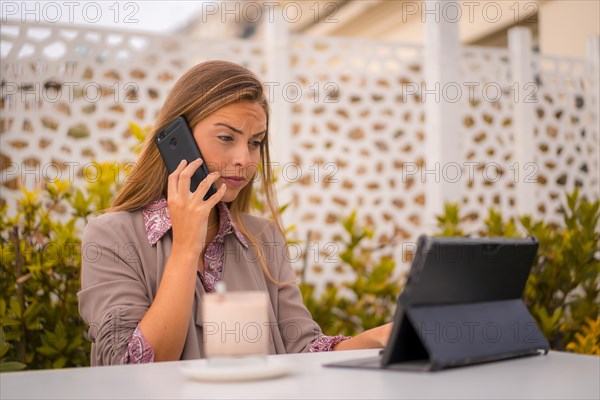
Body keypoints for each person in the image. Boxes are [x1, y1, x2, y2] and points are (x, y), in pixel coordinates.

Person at [78, 60, 392, 365]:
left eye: (255, 142)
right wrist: (187, 246)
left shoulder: (262, 237)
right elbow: (131, 368)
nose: (244, 158)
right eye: (226, 137)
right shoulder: (110, 236)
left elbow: (302, 351)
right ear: (177, 139)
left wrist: (378, 339)